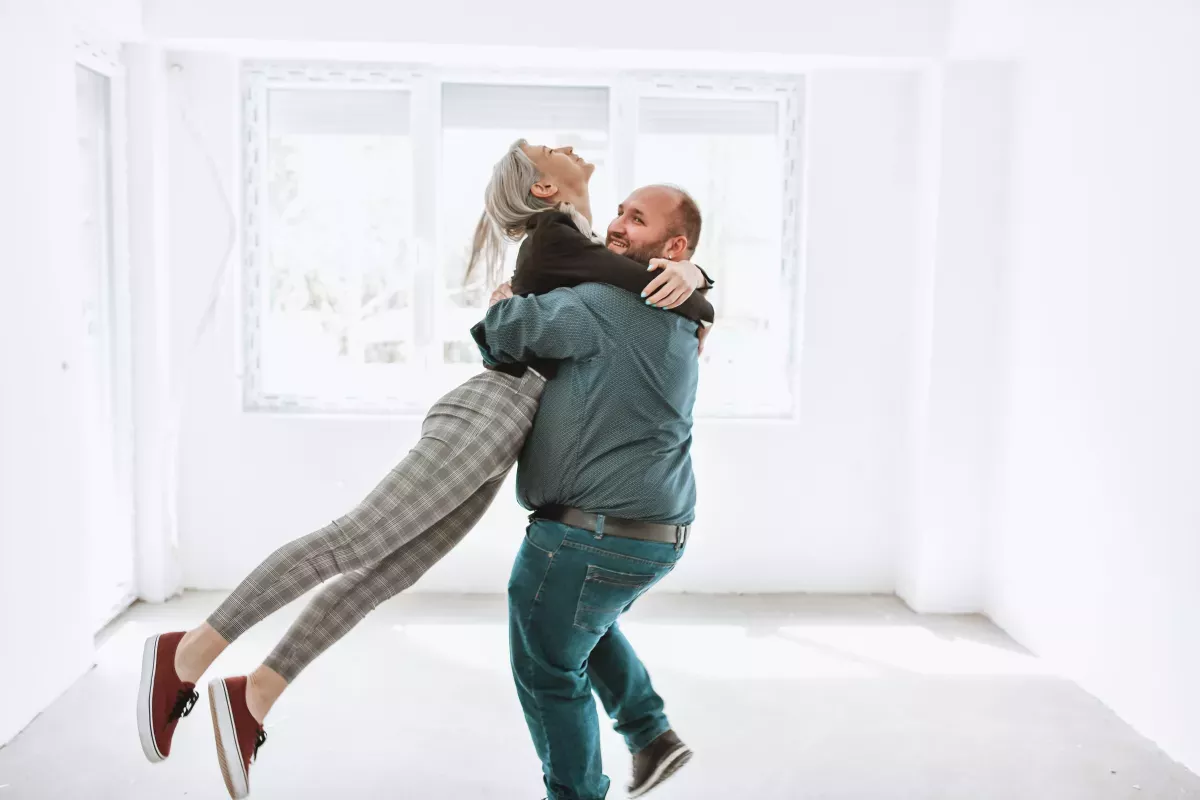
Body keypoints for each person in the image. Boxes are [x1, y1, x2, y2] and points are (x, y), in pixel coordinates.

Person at [135, 140, 714, 800]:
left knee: (391, 571)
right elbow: (527, 323)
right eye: (545, 152)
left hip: (507, 435)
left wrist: (697, 279)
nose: (566, 147)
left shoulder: (588, 257)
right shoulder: (559, 242)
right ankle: (184, 655)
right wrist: (695, 287)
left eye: (634, 217)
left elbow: (644, 296)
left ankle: (253, 697)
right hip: (489, 414)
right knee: (353, 541)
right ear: (547, 191)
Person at [473, 182, 707, 800]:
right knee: (584, 627)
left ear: (674, 245)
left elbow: (503, 333)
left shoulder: (602, 302)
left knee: (547, 669)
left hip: (586, 536)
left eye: (637, 219)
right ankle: (650, 735)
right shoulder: (687, 318)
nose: (616, 226)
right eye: (618, 212)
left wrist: (503, 300)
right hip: (656, 536)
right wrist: (699, 277)